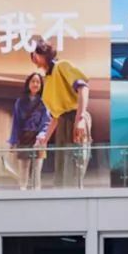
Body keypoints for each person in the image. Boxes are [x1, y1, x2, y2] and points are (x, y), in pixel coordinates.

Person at [31, 37, 91, 188]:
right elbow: (55, 116)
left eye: (35, 53)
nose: (33, 57)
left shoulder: (61, 66)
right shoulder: (47, 79)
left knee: (75, 168)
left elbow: (83, 87)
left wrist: (80, 118)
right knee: (61, 171)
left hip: (75, 117)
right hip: (62, 124)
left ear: (43, 53)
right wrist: (44, 139)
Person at [8, 72, 51, 190]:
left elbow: (46, 122)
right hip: (24, 137)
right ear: (28, 84)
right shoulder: (20, 102)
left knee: (37, 169)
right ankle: (23, 192)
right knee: (23, 168)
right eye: (33, 81)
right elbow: (16, 123)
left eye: (38, 82)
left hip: (39, 138)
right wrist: (13, 141)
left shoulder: (45, 102)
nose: (35, 84)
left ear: (41, 85)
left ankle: (37, 193)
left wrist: (41, 136)